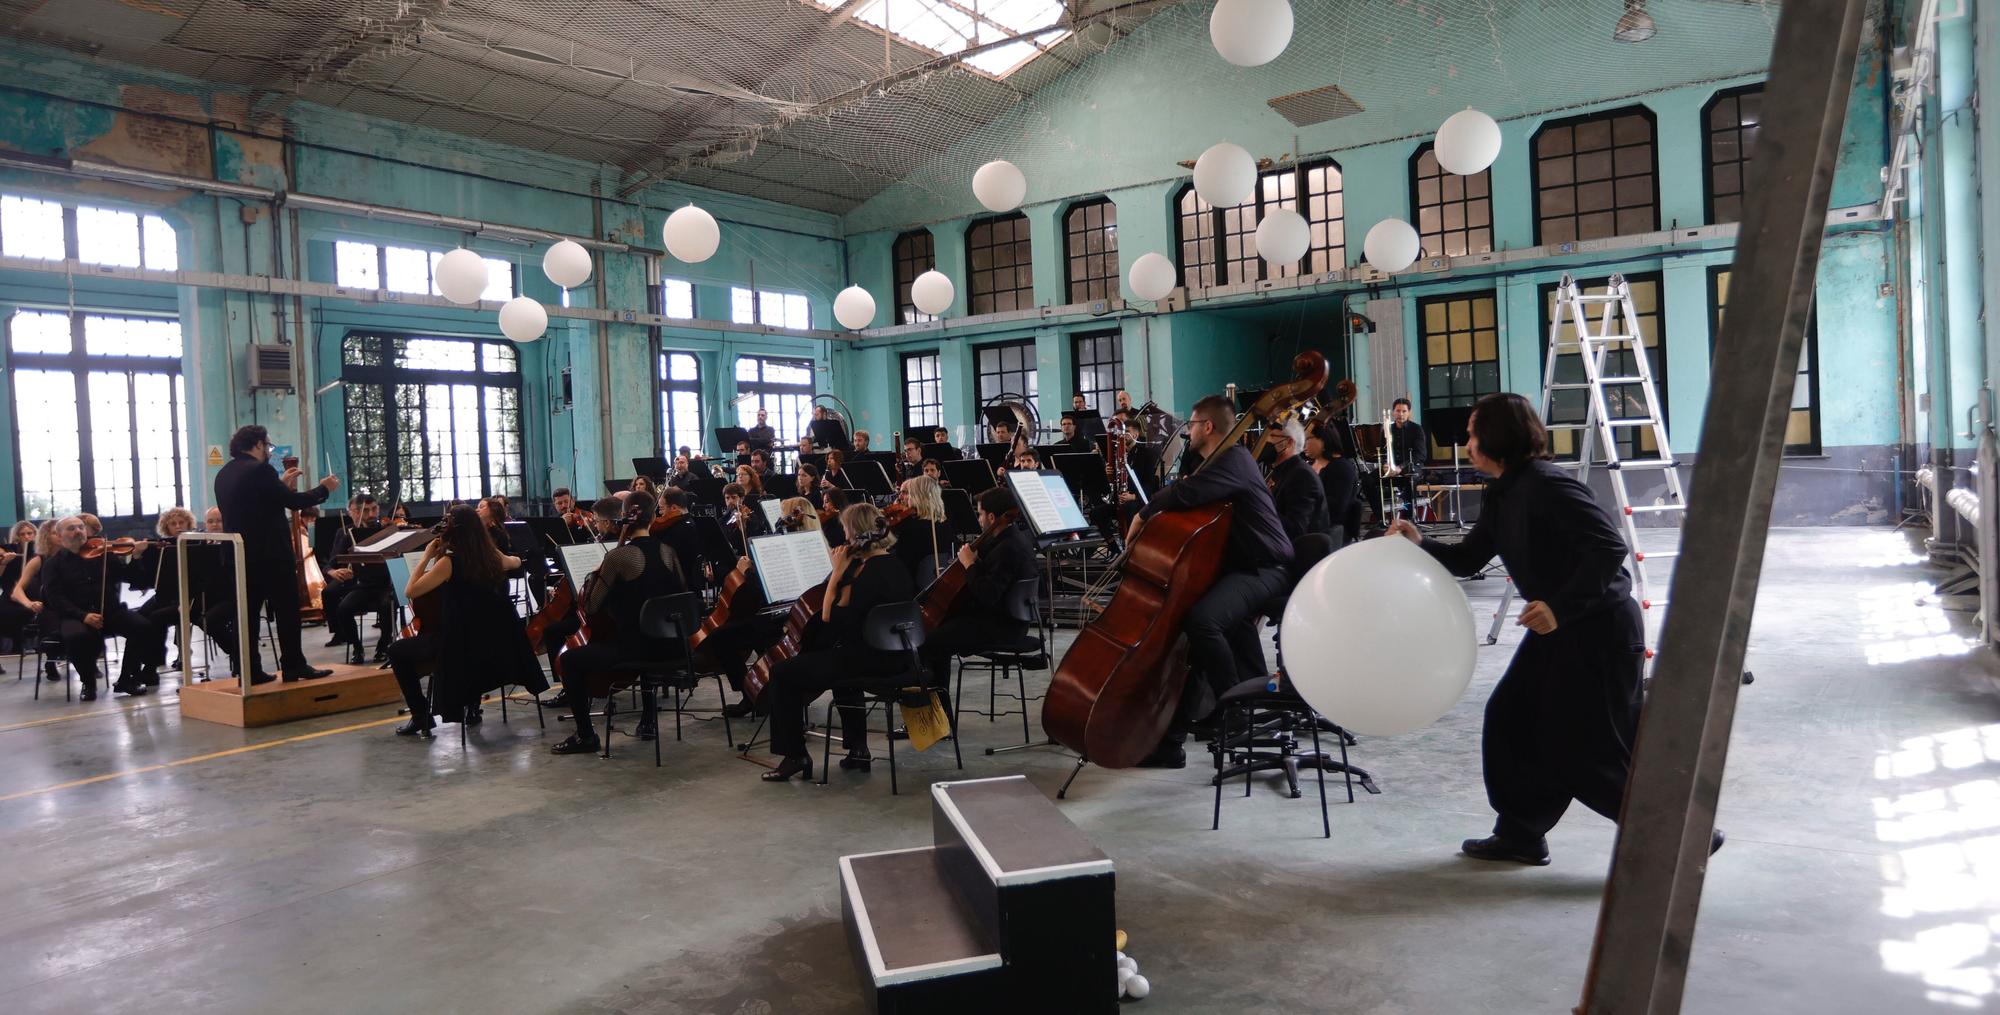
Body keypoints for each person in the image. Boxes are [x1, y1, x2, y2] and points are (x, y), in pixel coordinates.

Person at [1385, 392, 1721, 866]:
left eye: (1472, 434)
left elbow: (1609, 549)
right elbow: (1469, 558)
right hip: (1562, 631)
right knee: (1510, 717)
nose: (1465, 443)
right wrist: (1419, 541)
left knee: (1584, 749)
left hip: (1599, 629)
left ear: (1496, 439)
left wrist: (1559, 607)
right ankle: (1521, 833)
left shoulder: (1547, 485)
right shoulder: (1505, 489)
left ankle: (1684, 831)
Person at [1131, 394, 1293, 768]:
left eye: (1190, 424)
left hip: (1267, 569)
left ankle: (1234, 711)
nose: (1187, 431)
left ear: (1207, 427)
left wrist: (1144, 512)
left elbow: (1188, 492)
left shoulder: (1234, 458)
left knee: (1202, 621)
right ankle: (1170, 742)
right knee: (1197, 641)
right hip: (1242, 568)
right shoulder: (1216, 463)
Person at [759, 503, 917, 782]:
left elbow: (833, 618)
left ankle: (794, 755)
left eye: (845, 530)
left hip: (870, 661)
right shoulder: (897, 565)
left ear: (856, 533)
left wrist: (835, 573)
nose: (844, 537)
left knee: (783, 673)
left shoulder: (862, 574)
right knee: (842, 663)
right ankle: (858, 749)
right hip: (901, 658)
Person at [388, 504, 547, 738]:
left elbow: (411, 591)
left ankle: (421, 715)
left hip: (461, 648)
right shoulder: (492, 557)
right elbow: (515, 563)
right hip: (498, 643)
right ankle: (472, 704)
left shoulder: (448, 563)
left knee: (396, 651)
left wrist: (425, 557)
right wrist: (510, 558)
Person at [549, 491, 688, 753]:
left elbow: (590, 607)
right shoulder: (668, 552)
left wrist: (598, 575)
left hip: (637, 649)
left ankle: (585, 736)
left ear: (625, 518)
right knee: (645, 632)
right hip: (674, 646)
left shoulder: (620, 557)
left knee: (569, 660)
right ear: (652, 516)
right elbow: (682, 594)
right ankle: (648, 719)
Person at [213, 424, 338, 682]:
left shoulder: (224, 473)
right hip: (270, 556)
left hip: (240, 556)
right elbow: (294, 503)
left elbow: (256, 503)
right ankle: (293, 665)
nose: (269, 451)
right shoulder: (260, 470)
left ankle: (250, 671)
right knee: (287, 611)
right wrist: (324, 488)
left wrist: (280, 486)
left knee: (247, 616)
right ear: (258, 444)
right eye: (268, 446)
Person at [919, 488, 1037, 692]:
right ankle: (939, 711)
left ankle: (935, 712)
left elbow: (988, 595)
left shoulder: (1007, 548)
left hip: (1001, 627)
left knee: (927, 644)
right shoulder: (1014, 539)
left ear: (992, 517)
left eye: (980, 514)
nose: (979, 519)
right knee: (939, 637)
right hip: (1007, 621)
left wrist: (970, 565)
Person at [40, 516, 164, 700]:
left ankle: (127, 679)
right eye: (71, 528)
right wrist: (83, 615)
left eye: (81, 527)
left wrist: (136, 557)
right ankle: (88, 683)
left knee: (143, 627)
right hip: (76, 616)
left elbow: (133, 578)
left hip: (111, 612)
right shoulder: (53, 564)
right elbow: (55, 598)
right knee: (77, 636)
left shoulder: (104, 555)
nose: (78, 531)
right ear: (59, 536)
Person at [124, 507, 201, 683]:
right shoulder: (159, 547)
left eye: (182, 522)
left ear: (189, 524)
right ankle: (140, 664)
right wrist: (137, 555)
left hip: (191, 598)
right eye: (173, 524)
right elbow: (143, 578)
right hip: (165, 596)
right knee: (139, 619)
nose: (178, 526)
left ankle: (151, 668)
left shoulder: (197, 544)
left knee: (156, 618)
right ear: (166, 528)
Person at [320, 494, 396, 665]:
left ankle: (383, 646)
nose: (371, 514)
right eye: (366, 510)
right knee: (343, 608)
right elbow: (333, 561)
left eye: (374, 509)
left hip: (387, 585)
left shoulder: (389, 531)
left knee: (387, 605)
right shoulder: (349, 535)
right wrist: (332, 571)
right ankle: (357, 647)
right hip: (364, 585)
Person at [1265, 418, 1329, 542]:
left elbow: (1296, 529)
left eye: (1273, 436)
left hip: (1296, 553)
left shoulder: (1301, 476)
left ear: (1289, 443)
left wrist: (1261, 509)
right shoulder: (1283, 471)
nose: (1267, 441)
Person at [890, 475, 954, 586]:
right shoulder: (945, 523)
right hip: (938, 581)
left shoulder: (911, 527)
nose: (904, 498)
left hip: (914, 584)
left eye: (909, 493)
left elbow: (900, 563)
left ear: (917, 497)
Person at [1306, 423, 1362, 548]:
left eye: (1308, 439)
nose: (1304, 444)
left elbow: (1336, 508)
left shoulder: (1342, 468)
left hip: (1331, 529)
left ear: (1323, 440)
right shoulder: (1308, 465)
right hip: (1311, 523)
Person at [1385, 397, 1428, 518]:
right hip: (1392, 467)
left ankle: (1408, 517)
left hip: (1412, 466)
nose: (1401, 414)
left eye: (1404, 411)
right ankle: (1381, 517)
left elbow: (1420, 455)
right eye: (1398, 411)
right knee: (1367, 481)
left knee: (1410, 478)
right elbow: (1383, 451)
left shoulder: (1416, 429)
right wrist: (1385, 463)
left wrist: (1401, 466)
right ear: (1393, 412)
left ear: (1409, 412)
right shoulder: (1388, 429)